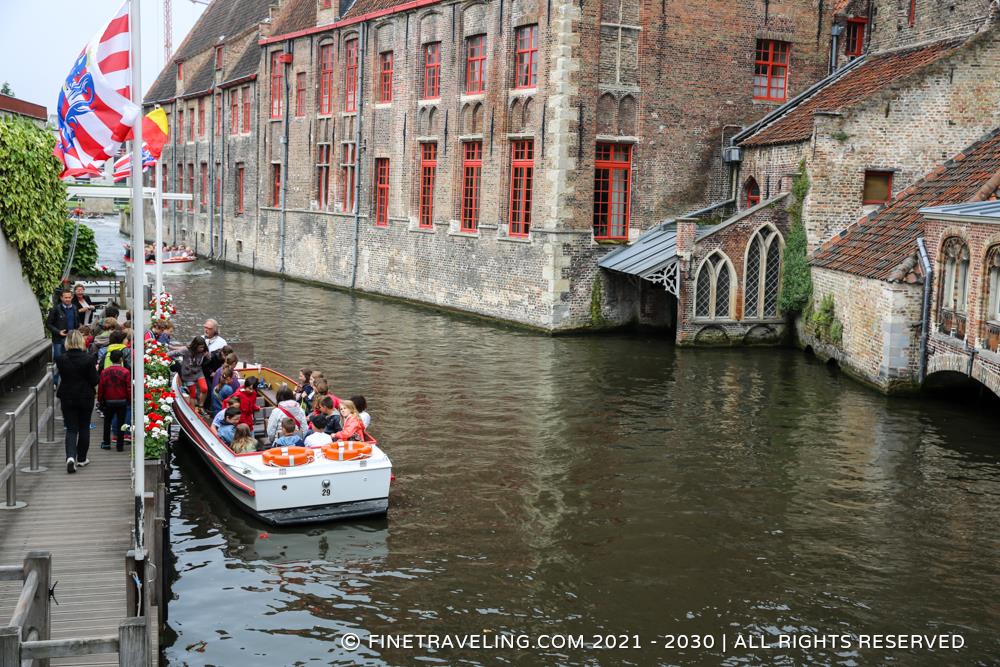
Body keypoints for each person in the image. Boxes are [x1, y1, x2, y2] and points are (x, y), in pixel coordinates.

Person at [56, 331, 99, 473]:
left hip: (67, 396)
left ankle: (70, 457)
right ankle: (81, 458)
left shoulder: (61, 359)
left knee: (71, 428)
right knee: (84, 427)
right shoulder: (88, 359)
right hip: (85, 396)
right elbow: (94, 380)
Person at [97, 348, 131, 452]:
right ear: (121, 359)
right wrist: (130, 399)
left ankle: (106, 443)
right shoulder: (126, 372)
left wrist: (100, 399)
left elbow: (101, 387)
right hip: (122, 400)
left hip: (109, 400)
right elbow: (129, 388)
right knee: (121, 423)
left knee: (107, 422)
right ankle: (119, 446)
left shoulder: (104, 372)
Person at [46, 289, 78, 382]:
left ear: (72, 297)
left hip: (72, 339)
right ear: (61, 298)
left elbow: (77, 322)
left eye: (69, 297)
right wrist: (58, 331)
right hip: (59, 340)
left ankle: (68, 380)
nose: (68, 299)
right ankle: (55, 382)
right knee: (58, 360)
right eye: (66, 297)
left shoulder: (74, 308)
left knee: (71, 360)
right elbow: (48, 324)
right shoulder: (55, 309)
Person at [169, 336, 210, 407]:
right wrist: (165, 357)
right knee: (193, 394)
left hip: (198, 372)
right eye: (200, 347)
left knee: (204, 388)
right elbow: (173, 353)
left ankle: (201, 405)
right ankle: (193, 410)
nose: (202, 349)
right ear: (195, 346)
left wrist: (207, 356)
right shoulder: (186, 350)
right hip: (188, 374)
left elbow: (208, 359)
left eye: (203, 347)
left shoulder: (204, 351)